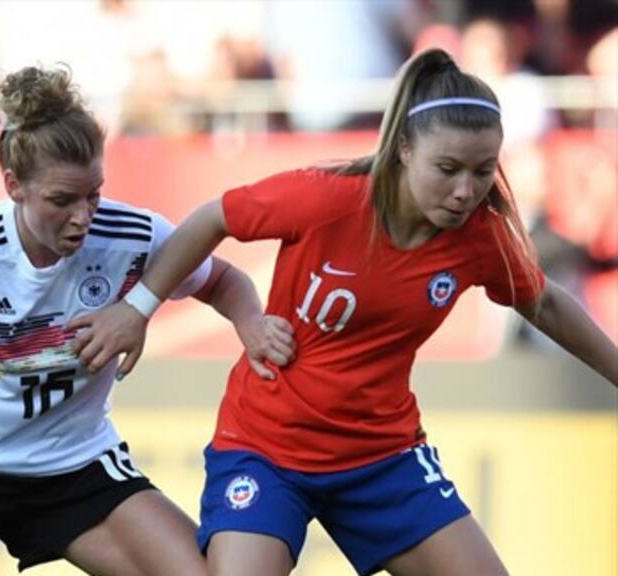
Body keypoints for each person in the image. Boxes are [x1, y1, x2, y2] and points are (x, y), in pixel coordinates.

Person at [70, 49, 618, 576]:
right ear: (403, 148)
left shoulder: (480, 237)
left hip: (384, 458)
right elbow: (212, 218)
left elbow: (543, 301)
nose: (465, 191)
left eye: (482, 171)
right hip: (266, 450)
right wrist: (138, 309)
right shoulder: (325, 198)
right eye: (448, 168)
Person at [0, 65, 295, 576]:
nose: (83, 217)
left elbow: (221, 280)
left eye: (94, 194)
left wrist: (252, 324)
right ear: (14, 186)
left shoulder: (131, 234)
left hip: (76, 467)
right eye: (62, 200)